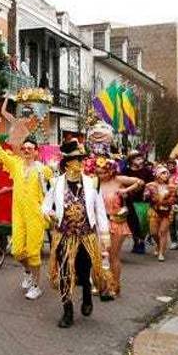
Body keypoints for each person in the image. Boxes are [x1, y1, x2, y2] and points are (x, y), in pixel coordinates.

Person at [42, 140, 110, 328]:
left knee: (83, 270)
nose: (80, 163)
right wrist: (51, 214)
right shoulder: (55, 183)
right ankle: (67, 311)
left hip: (86, 236)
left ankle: (87, 293)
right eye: (76, 159)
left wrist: (104, 237)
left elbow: (100, 211)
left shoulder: (92, 183)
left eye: (81, 159)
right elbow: (45, 207)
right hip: (64, 236)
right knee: (65, 273)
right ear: (67, 163)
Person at [0, 113, 52, 300]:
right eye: (24, 148)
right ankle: (28, 272)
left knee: (33, 253)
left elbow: (56, 185)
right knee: (17, 251)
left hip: (35, 216)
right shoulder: (15, 164)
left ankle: (36, 286)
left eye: (30, 148)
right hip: (19, 215)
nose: (26, 151)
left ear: (36, 151)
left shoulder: (42, 169)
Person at [94, 156, 142, 300]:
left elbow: (140, 182)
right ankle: (101, 285)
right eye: (98, 172)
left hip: (117, 222)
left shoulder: (118, 180)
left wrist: (126, 190)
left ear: (110, 171)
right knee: (99, 256)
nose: (101, 175)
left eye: (103, 172)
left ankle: (115, 286)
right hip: (99, 223)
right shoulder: (94, 183)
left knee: (113, 256)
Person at [145, 165, 178, 262]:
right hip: (154, 211)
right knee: (154, 233)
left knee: (163, 232)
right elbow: (145, 197)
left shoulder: (172, 187)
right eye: (163, 173)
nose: (166, 175)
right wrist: (147, 195)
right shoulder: (150, 185)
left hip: (167, 212)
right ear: (158, 175)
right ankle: (159, 245)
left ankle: (161, 253)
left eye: (167, 173)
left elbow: (176, 200)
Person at [124, 152, 154, 254]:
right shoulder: (126, 171)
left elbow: (152, 183)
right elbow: (121, 183)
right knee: (132, 223)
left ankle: (141, 242)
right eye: (137, 159)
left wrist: (147, 190)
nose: (140, 161)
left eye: (141, 158)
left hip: (143, 201)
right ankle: (136, 242)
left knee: (143, 222)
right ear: (131, 160)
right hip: (130, 201)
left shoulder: (147, 171)